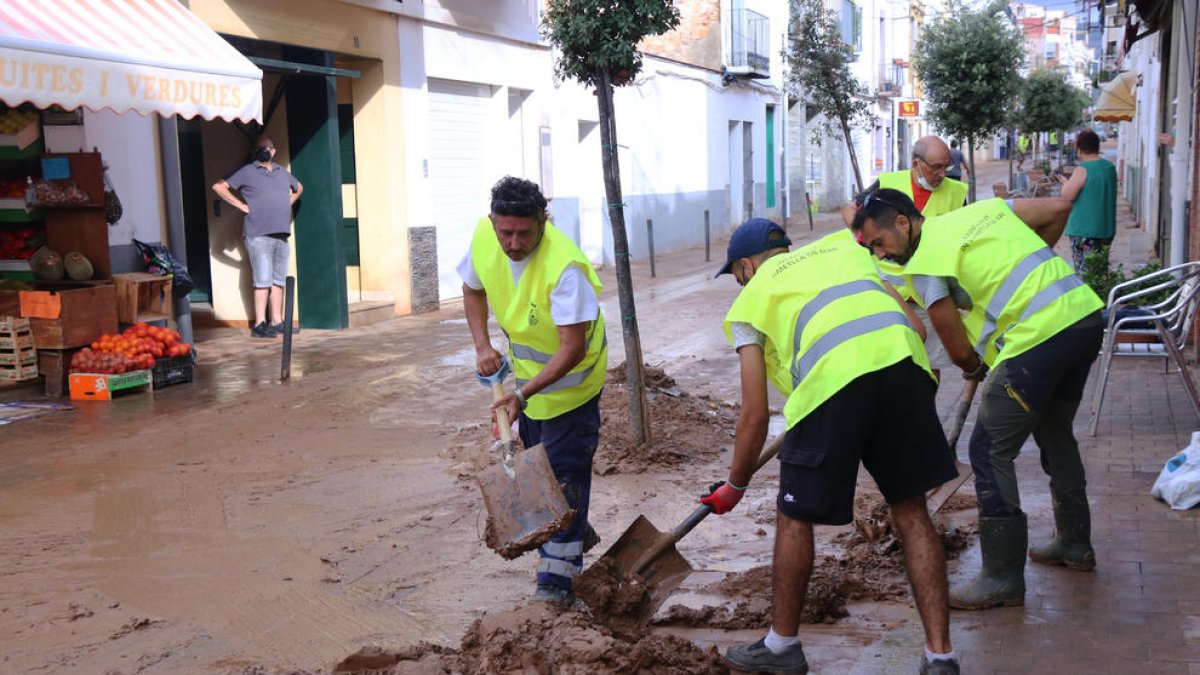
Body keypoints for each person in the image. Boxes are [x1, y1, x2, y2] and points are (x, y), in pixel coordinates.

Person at [703, 217, 960, 675]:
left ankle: (781, 647)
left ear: (745, 266)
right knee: (912, 511)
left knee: (795, 516)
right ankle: (941, 656)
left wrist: (735, 485)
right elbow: (917, 330)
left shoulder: (751, 302)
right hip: (901, 366)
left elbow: (755, 414)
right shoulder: (846, 250)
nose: (739, 283)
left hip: (831, 388)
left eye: (737, 276)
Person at [850, 189, 1105, 611]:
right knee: (1055, 432)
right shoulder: (983, 211)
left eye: (880, 243)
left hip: (1040, 336)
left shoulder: (927, 261)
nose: (883, 254)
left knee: (987, 450)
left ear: (903, 222)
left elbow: (954, 343)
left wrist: (972, 365)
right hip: (1081, 317)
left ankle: (1002, 577)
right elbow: (1058, 207)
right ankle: (1075, 544)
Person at [460, 176, 607, 606]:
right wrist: (483, 346)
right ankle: (573, 529)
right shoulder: (485, 238)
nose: (513, 242)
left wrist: (521, 398)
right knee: (539, 470)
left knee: (563, 471)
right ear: (493, 222)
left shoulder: (565, 267)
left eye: (524, 233)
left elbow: (573, 348)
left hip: (573, 388)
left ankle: (555, 587)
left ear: (544, 221)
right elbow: (471, 289)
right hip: (529, 385)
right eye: (505, 232)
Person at [841, 136, 969, 379]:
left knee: (930, 365)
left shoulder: (956, 192)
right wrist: (865, 240)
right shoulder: (888, 183)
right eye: (936, 167)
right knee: (891, 361)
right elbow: (850, 210)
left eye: (947, 167)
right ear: (916, 163)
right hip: (890, 292)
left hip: (929, 294)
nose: (943, 174)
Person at [212, 136, 303, 338]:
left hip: (281, 235)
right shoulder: (247, 171)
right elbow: (219, 187)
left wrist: (287, 202)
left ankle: (277, 321)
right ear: (256, 151)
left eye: (268, 147)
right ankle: (260, 324)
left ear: (274, 151)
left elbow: (299, 188)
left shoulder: (282, 172)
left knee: (278, 280)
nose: (265, 150)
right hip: (258, 235)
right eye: (260, 148)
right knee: (262, 280)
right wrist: (242, 206)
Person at [1057, 129, 1117, 273]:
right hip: (1105, 229)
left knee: (1085, 275)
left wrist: (1065, 182)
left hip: (1084, 231)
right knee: (1099, 273)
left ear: (1079, 150)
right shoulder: (1109, 168)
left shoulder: (1082, 169)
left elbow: (1067, 196)